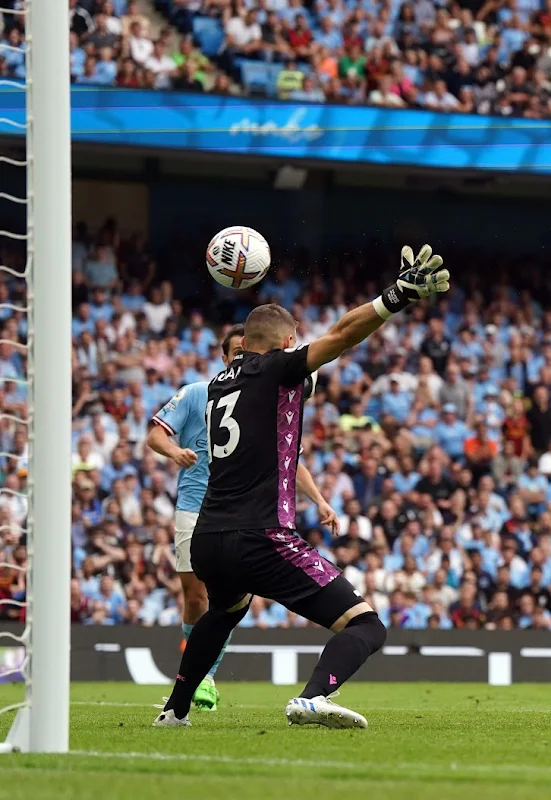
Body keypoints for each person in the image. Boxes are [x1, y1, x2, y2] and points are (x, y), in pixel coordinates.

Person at [153, 245, 449, 729]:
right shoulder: (276, 370)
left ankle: (174, 711)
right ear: (287, 342)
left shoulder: (214, 387)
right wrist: (395, 297)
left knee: (225, 611)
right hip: (261, 535)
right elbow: (342, 334)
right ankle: (313, 697)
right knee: (367, 625)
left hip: (209, 536)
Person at [146, 325, 338, 712]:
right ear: (223, 358)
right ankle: (195, 680)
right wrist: (175, 452)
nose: (242, 360)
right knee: (196, 596)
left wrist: (319, 499)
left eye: (246, 352)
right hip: (195, 503)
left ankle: (204, 679)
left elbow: (289, 457)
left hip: (241, 512)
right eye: (235, 354)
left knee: (230, 598)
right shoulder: (199, 392)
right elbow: (155, 435)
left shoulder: (265, 394)